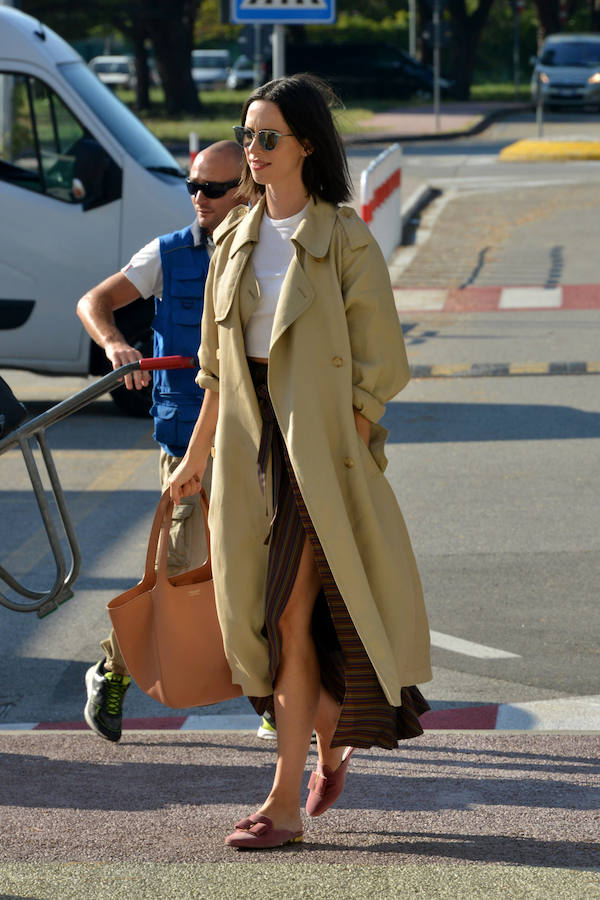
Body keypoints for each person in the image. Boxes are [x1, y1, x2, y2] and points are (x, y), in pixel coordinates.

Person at [169, 74, 432, 850]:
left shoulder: (344, 236)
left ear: (306, 145)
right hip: (250, 453)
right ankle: (332, 731)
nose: (252, 151)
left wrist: (343, 440)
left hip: (317, 460)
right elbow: (219, 369)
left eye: (267, 137)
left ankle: (284, 802)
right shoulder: (234, 239)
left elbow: (381, 363)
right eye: (247, 136)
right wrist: (194, 459)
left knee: (287, 617)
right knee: (260, 622)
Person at [77, 140, 246, 743]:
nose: (199, 198)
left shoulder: (273, 253)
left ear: (248, 189)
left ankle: (275, 698)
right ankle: (112, 669)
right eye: (193, 186)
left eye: (214, 188)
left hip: (256, 443)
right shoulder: (168, 254)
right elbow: (93, 302)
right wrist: (116, 344)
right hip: (186, 444)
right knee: (178, 571)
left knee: (257, 570)